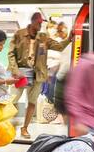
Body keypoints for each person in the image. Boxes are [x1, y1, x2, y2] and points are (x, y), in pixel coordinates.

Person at [8, 11, 74, 139]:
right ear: (32, 22)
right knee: (12, 100)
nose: (40, 25)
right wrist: (15, 71)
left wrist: (69, 39)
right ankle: (9, 125)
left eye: (41, 23)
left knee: (32, 102)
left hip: (37, 74)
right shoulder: (19, 34)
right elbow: (11, 54)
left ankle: (24, 128)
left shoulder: (43, 37)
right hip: (20, 73)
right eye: (38, 23)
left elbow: (59, 46)